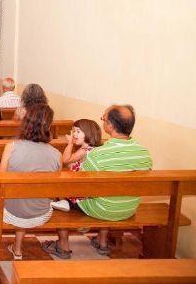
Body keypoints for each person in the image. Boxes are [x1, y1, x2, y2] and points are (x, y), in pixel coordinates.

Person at [42, 104, 152, 259]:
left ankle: (63, 245)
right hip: (129, 207)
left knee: (63, 192)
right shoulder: (144, 152)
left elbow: (78, 187)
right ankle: (102, 242)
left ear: (110, 125)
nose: (102, 121)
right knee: (110, 190)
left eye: (104, 118)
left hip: (102, 208)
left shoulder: (97, 154)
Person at [0, 104, 62, 260]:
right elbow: (54, 191)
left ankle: (17, 248)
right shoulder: (57, 154)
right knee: (29, 196)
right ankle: (18, 248)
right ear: (48, 126)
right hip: (41, 213)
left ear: (26, 122)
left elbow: (0, 179)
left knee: (11, 198)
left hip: (11, 212)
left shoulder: (12, 147)